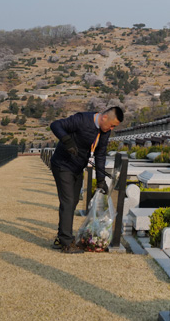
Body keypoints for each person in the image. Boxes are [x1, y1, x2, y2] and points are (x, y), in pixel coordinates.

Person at [49, 105, 124, 253]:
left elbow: (100, 154)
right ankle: (66, 243)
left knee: (73, 202)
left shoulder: (104, 131)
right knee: (68, 201)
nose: (111, 129)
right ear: (104, 117)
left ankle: (60, 238)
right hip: (62, 165)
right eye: (111, 125)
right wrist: (66, 140)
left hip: (77, 168)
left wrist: (101, 180)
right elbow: (55, 125)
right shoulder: (82, 119)